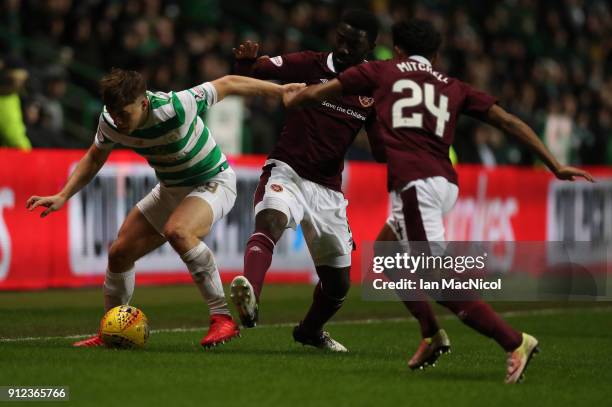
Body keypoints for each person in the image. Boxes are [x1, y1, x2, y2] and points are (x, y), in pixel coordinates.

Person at [283, 19, 593, 383]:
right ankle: (431, 334)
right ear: (436, 53)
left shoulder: (382, 71)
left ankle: (515, 341)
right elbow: (508, 121)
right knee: (384, 254)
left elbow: (325, 90)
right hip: (444, 183)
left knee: (435, 279)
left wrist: (292, 97)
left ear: (397, 50)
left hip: (416, 186)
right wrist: (554, 164)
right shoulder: (453, 85)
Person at [26, 67, 304, 348]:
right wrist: (63, 194)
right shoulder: (110, 120)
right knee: (120, 253)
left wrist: (280, 91)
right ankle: (111, 331)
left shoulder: (176, 106)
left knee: (179, 231)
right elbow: (95, 157)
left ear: (144, 103)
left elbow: (228, 83)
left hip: (213, 181)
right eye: (114, 113)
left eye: (125, 113)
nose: (119, 121)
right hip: (170, 190)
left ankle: (223, 318)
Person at [229, 9, 385, 352]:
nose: (343, 48)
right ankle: (251, 296)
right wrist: (246, 63)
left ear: (371, 45)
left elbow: (380, 150)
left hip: (328, 190)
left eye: (353, 43)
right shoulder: (310, 63)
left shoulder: (374, 89)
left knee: (338, 284)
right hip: (288, 169)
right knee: (271, 218)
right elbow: (257, 72)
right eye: (340, 39)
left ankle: (310, 331)